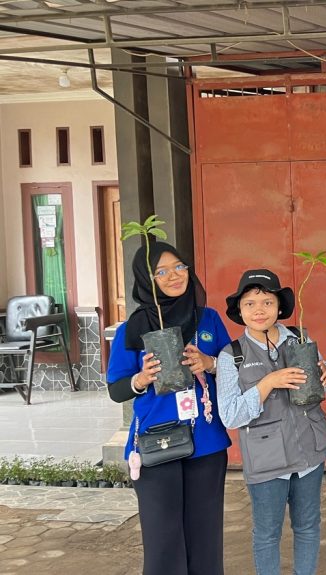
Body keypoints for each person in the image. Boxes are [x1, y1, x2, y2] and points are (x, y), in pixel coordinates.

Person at [106, 241, 232, 575]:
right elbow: (116, 389)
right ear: (146, 280)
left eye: (179, 267)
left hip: (205, 443)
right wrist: (141, 378)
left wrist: (209, 363)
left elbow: (236, 367)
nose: (174, 276)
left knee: (205, 540)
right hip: (155, 445)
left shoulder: (208, 319)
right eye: (161, 272)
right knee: (163, 542)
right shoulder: (131, 330)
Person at [216, 269, 326, 575]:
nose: (259, 310)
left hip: (309, 451)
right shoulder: (231, 356)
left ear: (279, 307)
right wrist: (268, 383)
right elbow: (230, 415)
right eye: (250, 303)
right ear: (240, 310)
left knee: (308, 526)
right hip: (267, 460)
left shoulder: (300, 339)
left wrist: (325, 372)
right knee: (267, 534)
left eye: (267, 302)